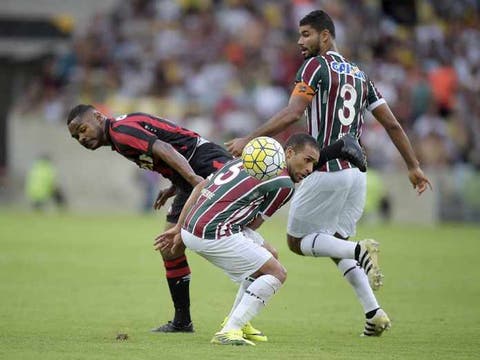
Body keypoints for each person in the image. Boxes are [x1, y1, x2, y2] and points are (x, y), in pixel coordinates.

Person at [67, 104, 365, 337]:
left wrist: (195, 181)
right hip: (192, 169)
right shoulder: (120, 134)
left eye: (83, 128)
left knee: (276, 177)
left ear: (96, 115)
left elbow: (166, 149)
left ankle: (335, 151)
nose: (82, 137)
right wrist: (175, 185)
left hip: (202, 164)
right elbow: (171, 145)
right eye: (76, 136)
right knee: (173, 245)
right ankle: (187, 318)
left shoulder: (120, 131)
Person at [226, 10, 432, 336]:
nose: (300, 41)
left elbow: (294, 112)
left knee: (297, 242)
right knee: (333, 244)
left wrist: (249, 138)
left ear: (325, 36)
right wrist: (414, 166)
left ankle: (359, 251)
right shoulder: (361, 75)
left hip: (322, 168)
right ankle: (373, 312)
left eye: (306, 34)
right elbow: (391, 123)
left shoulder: (315, 66)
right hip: (356, 174)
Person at [154, 133, 378, 345]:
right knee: (276, 273)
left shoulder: (247, 158)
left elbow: (202, 185)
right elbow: (252, 224)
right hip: (213, 232)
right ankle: (230, 329)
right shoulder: (283, 184)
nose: (309, 169)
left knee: (269, 255)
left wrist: (179, 227)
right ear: (288, 154)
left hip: (194, 225)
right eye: (307, 160)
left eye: (313, 163)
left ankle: (238, 320)